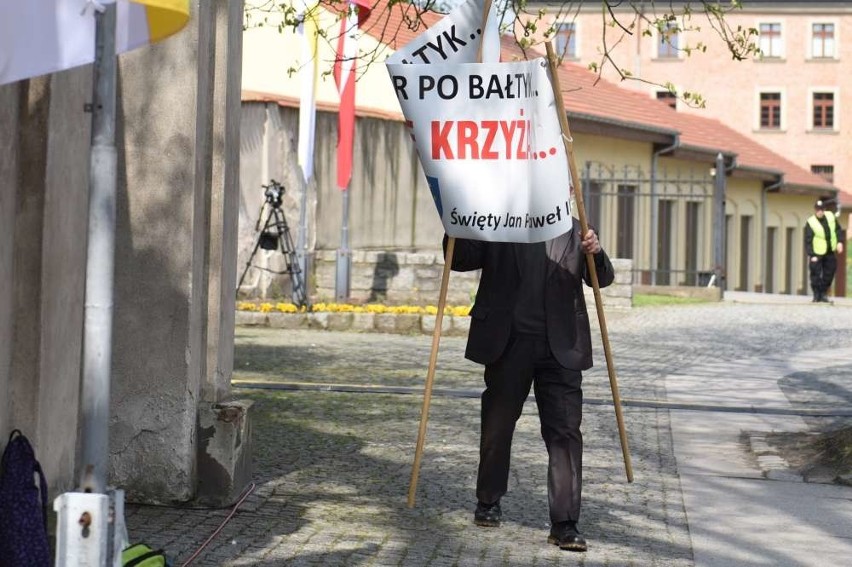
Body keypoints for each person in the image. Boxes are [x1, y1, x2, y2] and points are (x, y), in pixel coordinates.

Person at [443, 216, 615, 552]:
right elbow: (461, 259)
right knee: (497, 425)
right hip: (509, 342)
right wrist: (455, 222)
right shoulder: (496, 221)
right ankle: (488, 501)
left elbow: (602, 279)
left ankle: (565, 524)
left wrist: (595, 252)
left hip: (561, 346)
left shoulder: (578, 227)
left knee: (565, 432)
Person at [804, 199, 845, 303]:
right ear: (815, 210)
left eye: (821, 209)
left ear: (825, 209)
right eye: (818, 210)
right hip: (816, 253)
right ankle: (816, 295)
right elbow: (808, 240)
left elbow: (838, 230)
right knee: (815, 274)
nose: (820, 212)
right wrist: (811, 254)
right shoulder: (811, 222)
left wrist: (840, 242)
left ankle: (823, 293)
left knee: (830, 273)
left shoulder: (831, 217)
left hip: (829, 251)